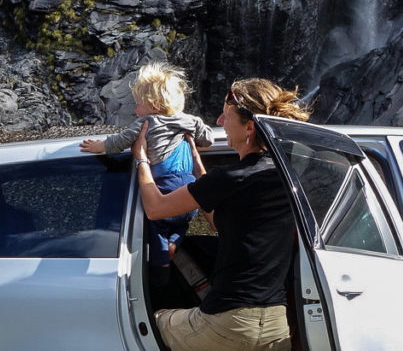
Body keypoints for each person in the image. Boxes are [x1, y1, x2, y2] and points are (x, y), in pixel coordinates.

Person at [131, 78, 311, 351]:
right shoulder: (287, 177)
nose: (219, 121)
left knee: (148, 323)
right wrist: (199, 170)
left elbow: (156, 208)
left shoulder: (229, 178)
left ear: (249, 127)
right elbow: (218, 223)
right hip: (276, 327)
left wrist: (141, 157)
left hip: (228, 323)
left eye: (226, 116)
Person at [80, 62, 213, 275]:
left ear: (154, 105)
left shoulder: (146, 123)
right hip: (190, 191)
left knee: (157, 225)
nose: (135, 109)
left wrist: (100, 146)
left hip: (164, 188)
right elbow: (207, 140)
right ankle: (175, 241)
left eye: (138, 104)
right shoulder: (190, 120)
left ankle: (162, 265)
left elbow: (121, 141)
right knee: (182, 222)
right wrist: (195, 139)